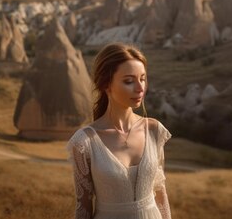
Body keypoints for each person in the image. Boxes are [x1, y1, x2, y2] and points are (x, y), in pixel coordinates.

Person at [67, 43, 172, 219]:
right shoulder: (85, 142)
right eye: (129, 81)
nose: (140, 88)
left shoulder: (154, 130)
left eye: (143, 79)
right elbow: (83, 206)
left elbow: (160, 194)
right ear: (106, 85)